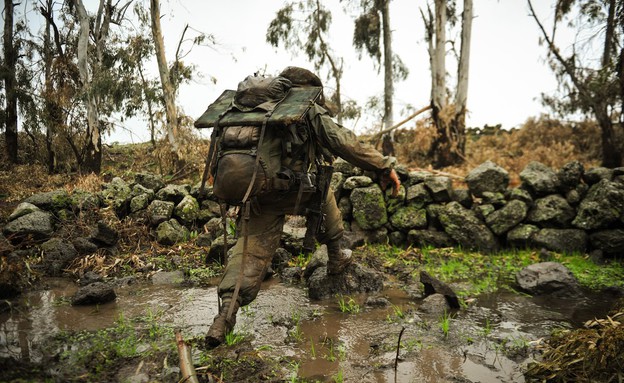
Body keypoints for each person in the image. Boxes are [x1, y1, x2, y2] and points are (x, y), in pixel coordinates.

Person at [204, 67, 401, 347]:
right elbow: (343, 142)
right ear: (309, 89)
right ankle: (336, 256)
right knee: (324, 191)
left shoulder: (245, 111)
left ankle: (224, 317)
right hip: (295, 191)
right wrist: (382, 165)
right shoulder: (305, 106)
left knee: (248, 253)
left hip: (258, 193)